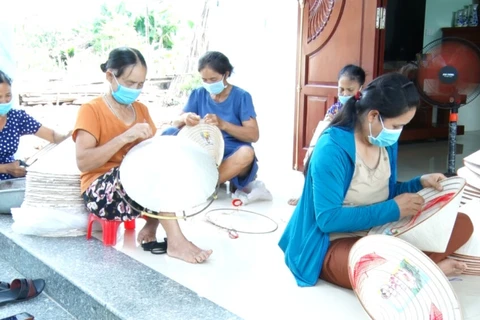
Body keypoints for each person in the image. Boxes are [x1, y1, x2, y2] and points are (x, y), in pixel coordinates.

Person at [279, 72, 473, 288]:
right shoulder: (332, 149)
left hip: (380, 229)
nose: (399, 133)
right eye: (397, 126)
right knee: (374, 270)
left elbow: (384, 192)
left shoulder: (384, 140)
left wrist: (419, 183)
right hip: (333, 240)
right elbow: (328, 219)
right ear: (373, 116)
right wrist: (394, 210)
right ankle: (428, 270)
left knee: (462, 223)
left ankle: (411, 272)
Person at [73, 47, 212, 264]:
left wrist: (180, 123)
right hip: (101, 191)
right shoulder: (92, 110)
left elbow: (152, 152)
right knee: (149, 168)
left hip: (135, 188)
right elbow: (83, 162)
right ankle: (176, 242)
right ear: (110, 76)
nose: (135, 90)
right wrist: (124, 137)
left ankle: (152, 223)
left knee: (166, 161)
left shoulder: (141, 110)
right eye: (129, 83)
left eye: (140, 84)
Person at [163, 51, 259, 192]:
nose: (208, 84)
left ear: (226, 74)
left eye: (213, 80)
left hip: (230, 151)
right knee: (168, 133)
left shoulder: (241, 97)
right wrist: (185, 118)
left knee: (246, 153)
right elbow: (176, 122)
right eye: (204, 80)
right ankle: (209, 179)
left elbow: (253, 135)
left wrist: (223, 124)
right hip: (204, 148)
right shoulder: (198, 94)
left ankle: (205, 185)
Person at [288, 65, 366, 205]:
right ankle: (306, 197)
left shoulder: (363, 110)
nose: (344, 94)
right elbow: (325, 131)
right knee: (313, 161)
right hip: (331, 146)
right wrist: (329, 121)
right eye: (341, 89)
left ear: (360, 88)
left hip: (349, 150)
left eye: (350, 90)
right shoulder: (335, 108)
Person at [0, 70, 70, 181]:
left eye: (8, 95)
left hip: (9, 182)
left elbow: (52, 135)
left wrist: (71, 135)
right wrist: (5, 168)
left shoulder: (17, 117)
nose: (4, 101)